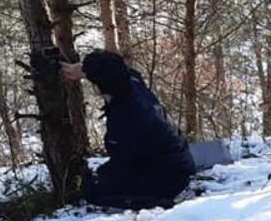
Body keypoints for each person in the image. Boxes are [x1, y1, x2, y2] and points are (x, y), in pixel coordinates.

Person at [60, 50, 195, 210]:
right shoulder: (131, 83)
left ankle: (154, 201)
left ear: (99, 87)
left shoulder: (126, 117)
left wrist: (95, 178)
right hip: (179, 163)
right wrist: (84, 69)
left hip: (168, 179)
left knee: (93, 191)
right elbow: (118, 69)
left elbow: (120, 165)